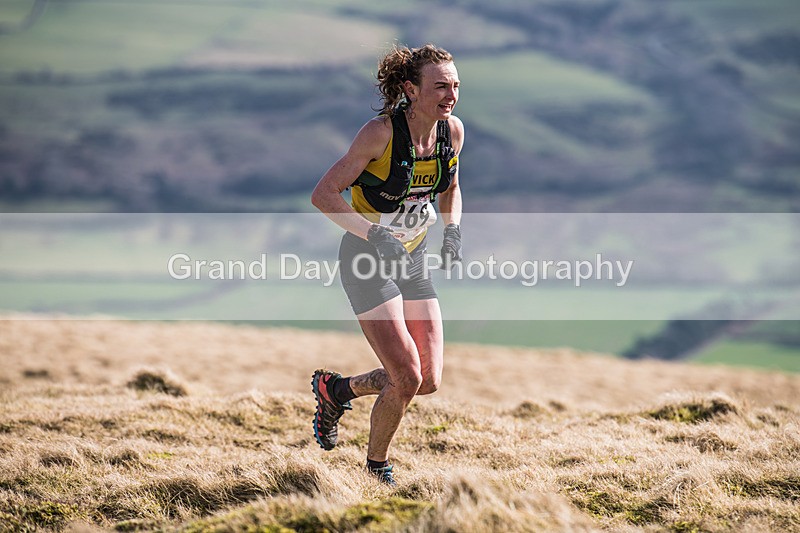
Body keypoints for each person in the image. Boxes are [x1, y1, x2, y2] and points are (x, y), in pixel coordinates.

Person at [309, 43, 464, 486]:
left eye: (455, 86)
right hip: (366, 260)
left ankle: (337, 390)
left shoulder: (451, 131)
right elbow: (323, 194)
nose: (450, 94)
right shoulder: (379, 134)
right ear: (410, 89)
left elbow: (451, 185)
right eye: (440, 86)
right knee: (405, 374)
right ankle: (377, 469)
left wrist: (453, 231)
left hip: (411, 260)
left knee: (427, 380)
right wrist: (375, 234)